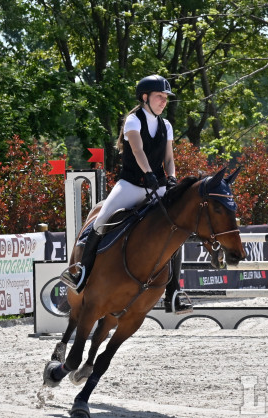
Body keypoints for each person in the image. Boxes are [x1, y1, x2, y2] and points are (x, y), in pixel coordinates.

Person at [60, 75, 192, 314]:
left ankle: (174, 292)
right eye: (159, 97)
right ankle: (80, 276)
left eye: (165, 98)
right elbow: (138, 150)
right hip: (131, 185)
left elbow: (170, 158)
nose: (164, 101)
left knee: (176, 229)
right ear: (145, 97)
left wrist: (171, 178)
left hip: (158, 185)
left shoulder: (166, 125)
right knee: (100, 222)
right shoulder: (133, 120)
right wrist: (149, 174)